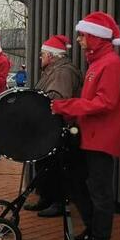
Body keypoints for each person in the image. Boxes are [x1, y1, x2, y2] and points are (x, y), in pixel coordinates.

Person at [51, 12, 120, 240]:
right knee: (81, 184)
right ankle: (93, 230)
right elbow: (90, 100)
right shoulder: (97, 63)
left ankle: (101, 239)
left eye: (83, 35)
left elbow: (105, 102)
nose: (80, 39)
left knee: (99, 189)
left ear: (96, 37)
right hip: (90, 135)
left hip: (101, 138)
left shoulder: (111, 65)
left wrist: (65, 106)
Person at [24, 35, 82, 218]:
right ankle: (47, 198)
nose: (40, 58)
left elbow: (57, 98)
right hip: (49, 126)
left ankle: (58, 202)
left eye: (42, 54)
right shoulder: (54, 70)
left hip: (59, 127)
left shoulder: (62, 72)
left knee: (56, 166)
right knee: (44, 163)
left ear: (51, 55)